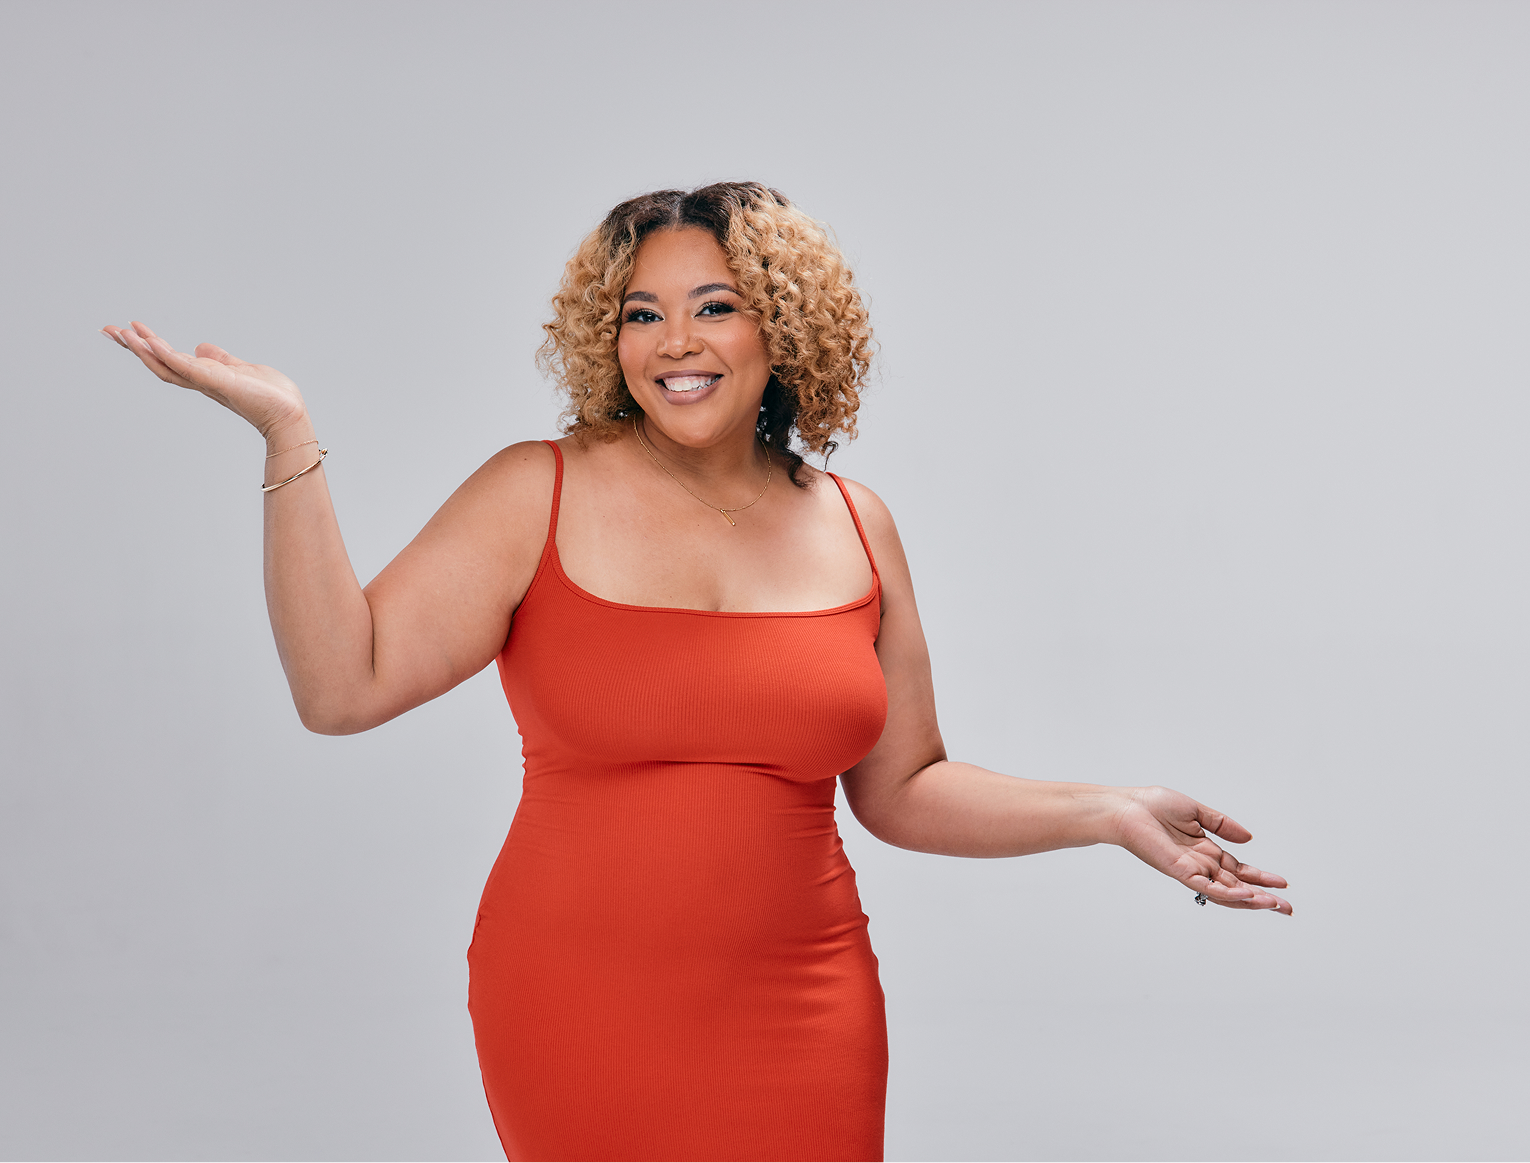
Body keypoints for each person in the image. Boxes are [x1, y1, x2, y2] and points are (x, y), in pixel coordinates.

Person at [102, 181, 1290, 1163]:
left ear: (782, 327)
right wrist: (289, 434)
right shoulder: (539, 488)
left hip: (805, 1004)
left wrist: (1107, 810)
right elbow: (340, 686)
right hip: (574, 997)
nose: (673, 342)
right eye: (640, 313)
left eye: (714, 306)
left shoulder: (859, 524)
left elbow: (903, 786)